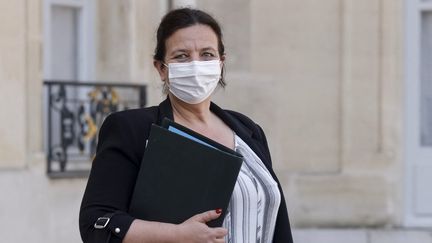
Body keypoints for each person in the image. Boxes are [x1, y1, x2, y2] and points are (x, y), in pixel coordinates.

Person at [79, 7, 293, 243]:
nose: (195, 65)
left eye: (207, 54)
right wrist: (176, 235)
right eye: (181, 56)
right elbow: (95, 223)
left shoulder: (248, 130)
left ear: (221, 63)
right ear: (161, 68)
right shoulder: (133, 130)